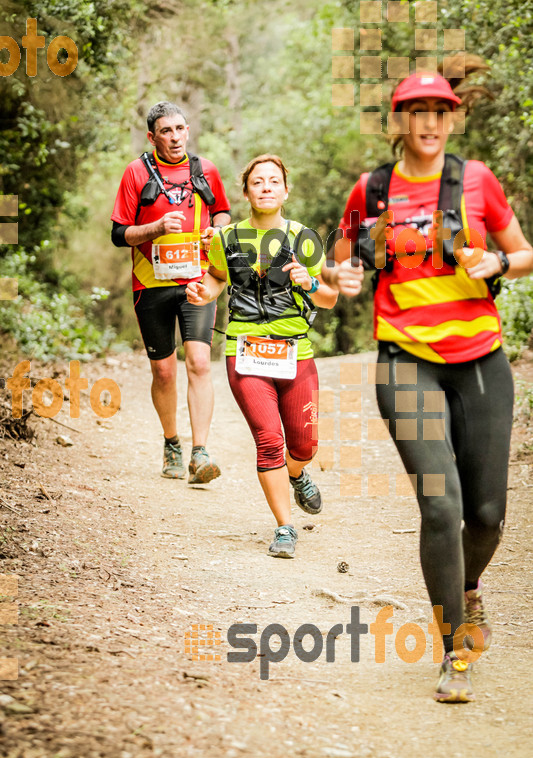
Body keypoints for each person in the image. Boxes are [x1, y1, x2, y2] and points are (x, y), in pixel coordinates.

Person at [322, 58, 533, 701]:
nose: (430, 123)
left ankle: (467, 590)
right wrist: (343, 277)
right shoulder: (373, 191)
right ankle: (453, 653)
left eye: (440, 113)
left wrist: (496, 260)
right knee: (441, 505)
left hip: (481, 361)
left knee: (489, 514)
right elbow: (340, 261)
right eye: (418, 113)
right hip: (405, 361)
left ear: (451, 117)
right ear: (402, 121)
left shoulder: (478, 183)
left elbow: (523, 254)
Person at [186, 154, 338, 557]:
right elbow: (217, 277)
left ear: (286, 190)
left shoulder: (305, 238)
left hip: (295, 352)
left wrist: (309, 281)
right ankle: (285, 528)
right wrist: (203, 292)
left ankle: (298, 471)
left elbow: (330, 296)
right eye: (258, 181)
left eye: (274, 181)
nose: (267, 187)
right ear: (247, 191)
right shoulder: (227, 237)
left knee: (304, 444)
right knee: (269, 440)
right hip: (245, 352)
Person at [111, 101, 231, 483]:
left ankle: (200, 452)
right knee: (164, 372)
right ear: (152, 136)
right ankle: (172, 442)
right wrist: (156, 228)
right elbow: (118, 234)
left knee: (198, 362)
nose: (176, 137)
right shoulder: (136, 173)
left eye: (181, 129)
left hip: (197, 281)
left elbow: (223, 212)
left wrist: (218, 230)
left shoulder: (205, 170)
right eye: (167, 131)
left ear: (188, 130)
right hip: (150, 284)